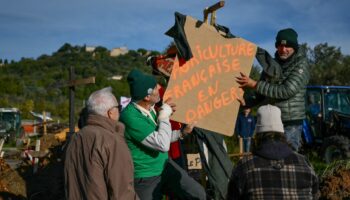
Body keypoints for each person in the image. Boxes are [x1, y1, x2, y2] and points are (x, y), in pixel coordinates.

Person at [120, 69, 206, 200]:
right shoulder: (131, 117)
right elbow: (162, 145)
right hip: (145, 177)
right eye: (155, 87)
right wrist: (165, 116)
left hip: (165, 167)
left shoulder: (149, 109)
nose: (159, 88)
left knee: (198, 194)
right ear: (147, 96)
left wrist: (181, 133)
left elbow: (158, 137)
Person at [236, 28, 310, 151]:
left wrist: (254, 84)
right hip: (270, 120)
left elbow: (286, 90)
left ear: (294, 48)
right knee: (268, 156)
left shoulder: (301, 65)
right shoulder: (273, 65)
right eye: (280, 45)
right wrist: (246, 103)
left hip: (289, 122)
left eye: (287, 46)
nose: (283, 49)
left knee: (287, 157)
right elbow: (261, 94)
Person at [227, 104, 319, 199]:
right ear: (282, 134)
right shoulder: (305, 164)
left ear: (257, 136)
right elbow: (315, 195)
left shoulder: (244, 167)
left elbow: (232, 196)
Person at [64, 87, 138, 200]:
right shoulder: (112, 141)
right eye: (118, 107)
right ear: (110, 113)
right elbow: (123, 193)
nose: (120, 110)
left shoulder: (76, 137)